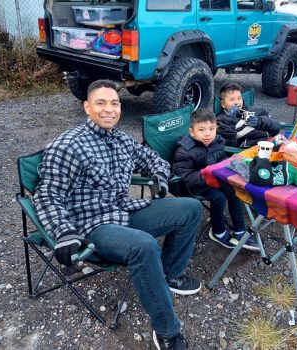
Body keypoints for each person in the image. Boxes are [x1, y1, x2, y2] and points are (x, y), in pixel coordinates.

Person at [33, 79, 203, 350]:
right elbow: (47, 195)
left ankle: (170, 275)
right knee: (144, 246)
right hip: (92, 225)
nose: (109, 109)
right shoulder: (68, 145)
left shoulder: (122, 140)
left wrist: (158, 175)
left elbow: (151, 158)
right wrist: (64, 233)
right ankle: (167, 331)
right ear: (87, 107)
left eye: (114, 103)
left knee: (191, 208)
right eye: (101, 103)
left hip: (123, 211)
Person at [172, 108, 259, 251]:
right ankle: (218, 232)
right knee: (219, 197)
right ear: (192, 132)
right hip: (192, 185)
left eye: (211, 129)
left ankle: (240, 231)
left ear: (216, 129)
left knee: (234, 192)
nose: (207, 134)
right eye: (201, 130)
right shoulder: (185, 151)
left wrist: (229, 165)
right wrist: (209, 174)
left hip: (214, 179)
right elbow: (184, 176)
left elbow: (221, 159)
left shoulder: (217, 142)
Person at [217, 82, 280, 148]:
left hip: (271, 144)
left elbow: (277, 128)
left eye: (239, 98)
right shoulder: (220, 121)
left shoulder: (255, 111)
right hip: (247, 151)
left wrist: (260, 121)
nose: (237, 102)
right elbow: (228, 145)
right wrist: (230, 120)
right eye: (232, 99)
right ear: (223, 104)